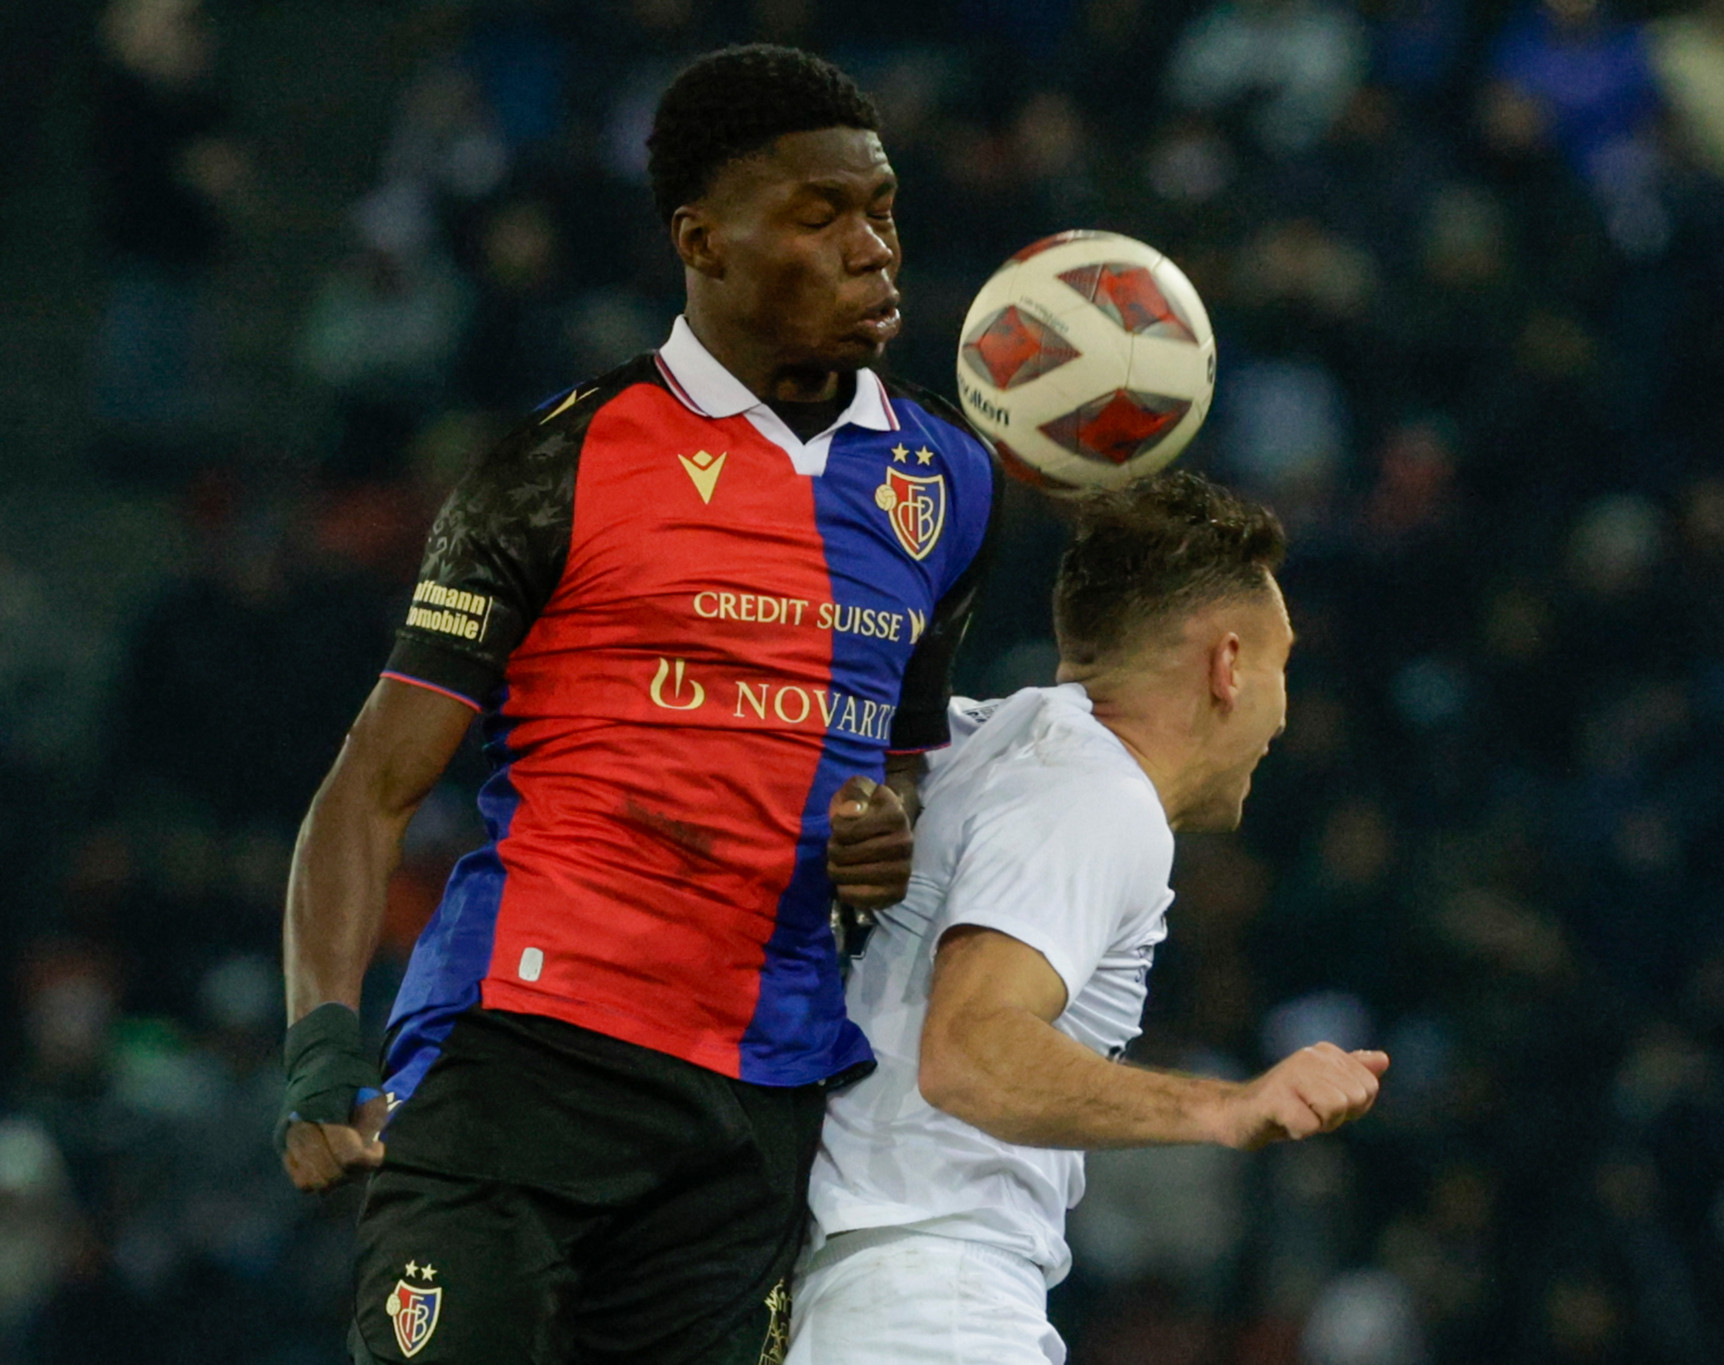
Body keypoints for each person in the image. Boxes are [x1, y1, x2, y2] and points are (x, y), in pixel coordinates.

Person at [275, 45, 1000, 1365]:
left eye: (882, 210)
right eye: (821, 215)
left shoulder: (946, 478)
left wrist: (884, 824)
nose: (873, 249)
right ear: (702, 240)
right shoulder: (555, 465)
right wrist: (323, 1040)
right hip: (525, 1051)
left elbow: (897, 759)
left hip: (758, 1094)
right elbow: (373, 783)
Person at [789, 472, 1390, 1365]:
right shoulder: (1096, 791)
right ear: (1228, 665)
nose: (1281, 711)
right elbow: (968, 1053)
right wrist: (1227, 1107)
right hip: (931, 1301)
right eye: (1282, 663)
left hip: (862, 1280)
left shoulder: (980, 739)